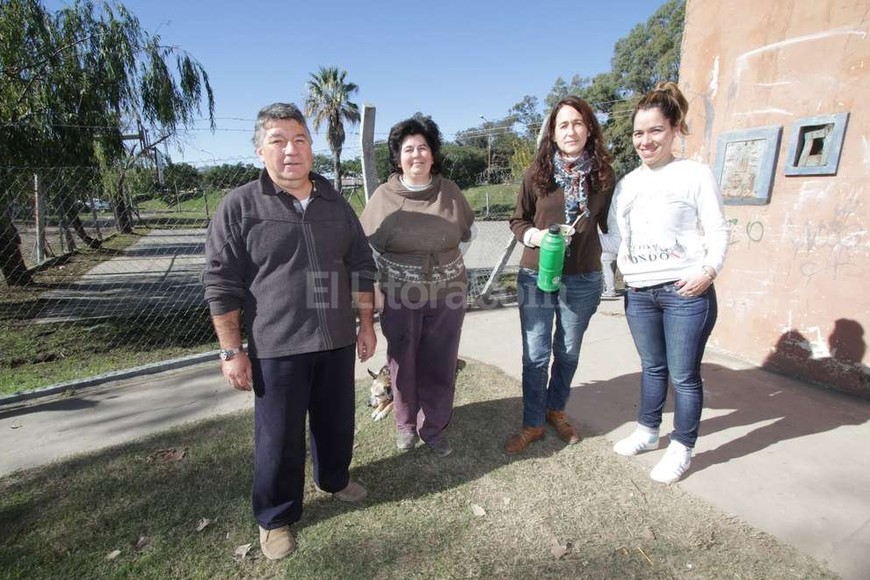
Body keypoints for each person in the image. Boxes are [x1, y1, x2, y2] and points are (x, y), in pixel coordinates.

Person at [202, 102, 377, 560]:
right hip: (277, 346)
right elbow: (221, 283)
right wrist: (230, 351)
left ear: (311, 148)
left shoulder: (335, 202)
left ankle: (334, 479)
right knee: (278, 438)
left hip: (336, 339)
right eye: (278, 141)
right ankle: (276, 517)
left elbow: (361, 264)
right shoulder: (240, 207)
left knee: (336, 422)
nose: (291, 150)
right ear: (261, 151)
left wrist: (365, 324)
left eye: (299, 140)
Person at [601, 82, 729, 483]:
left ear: (675, 129)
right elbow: (615, 242)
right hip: (638, 293)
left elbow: (719, 230)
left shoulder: (694, 174)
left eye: (655, 130)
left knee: (684, 374)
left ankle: (682, 446)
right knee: (652, 368)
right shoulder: (626, 185)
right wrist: (576, 234)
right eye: (638, 133)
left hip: (683, 293)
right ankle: (647, 431)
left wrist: (708, 271)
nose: (645, 140)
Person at [359, 115, 474, 458]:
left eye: (423, 147)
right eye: (409, 149)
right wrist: (378, 287)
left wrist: (445, 266)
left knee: (440, 361)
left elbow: (467, 236)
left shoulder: (450, 192)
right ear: (398, 157)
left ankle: (434, 426)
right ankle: (405, 424)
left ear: (433, 154)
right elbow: (367, 248)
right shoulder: (384, 196)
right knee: (402, 361)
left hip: (448, 296)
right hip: (399, 297)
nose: (417, 155)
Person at [506, 96, 615, 454]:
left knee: (567, 353)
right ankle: (533, 423)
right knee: (536, 355)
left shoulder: (603, 176)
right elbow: (517, 220)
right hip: (537, 275)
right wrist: (535, 236)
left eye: (578, 123)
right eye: (563, 124)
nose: (571, 130)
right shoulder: (537, 174)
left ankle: (556, 409)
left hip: (583, 278)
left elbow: (611, 225)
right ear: (553, 132)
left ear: (589, 129)